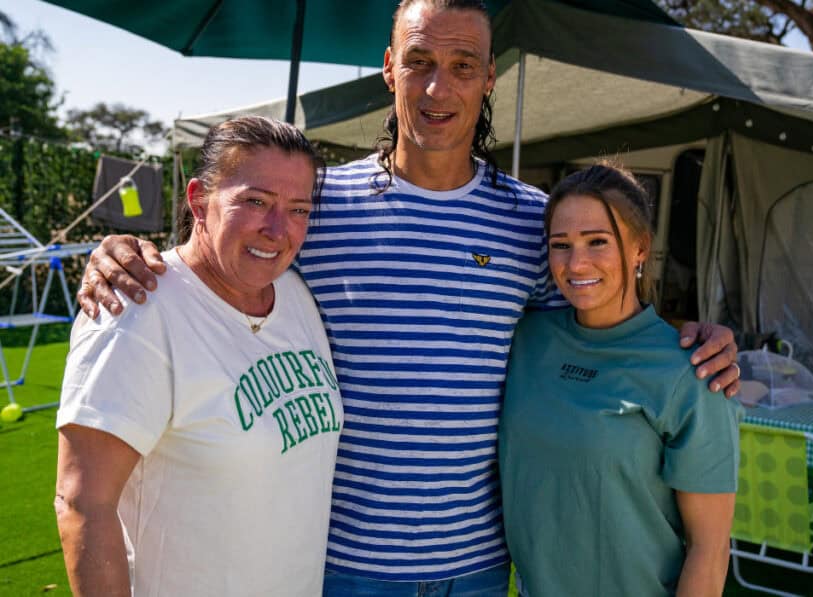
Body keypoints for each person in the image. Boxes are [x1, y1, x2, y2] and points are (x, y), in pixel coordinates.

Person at [74, 1, 741, 594]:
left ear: (488, 80)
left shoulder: (533, 223)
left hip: (479, 562)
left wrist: (692, 338)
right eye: (419, 61)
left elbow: (596, 318)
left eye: (461, 65)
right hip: (342, 562)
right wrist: (118, 255)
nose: (437, 86)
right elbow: (217, 258)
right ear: (389, 68)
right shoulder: (317, 207)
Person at [55, 116, 343, 597]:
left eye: (298, 210)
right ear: (199, 200)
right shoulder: (136, 308)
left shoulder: (294, 294)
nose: (277, 229)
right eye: (255, 201)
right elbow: (82, 503)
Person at [500, 164, 741, 597]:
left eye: (597, 242)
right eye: (561, 245)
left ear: (640, 249)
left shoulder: (692, 371)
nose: (577, 263)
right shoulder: (525, 338)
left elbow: (710, 550)